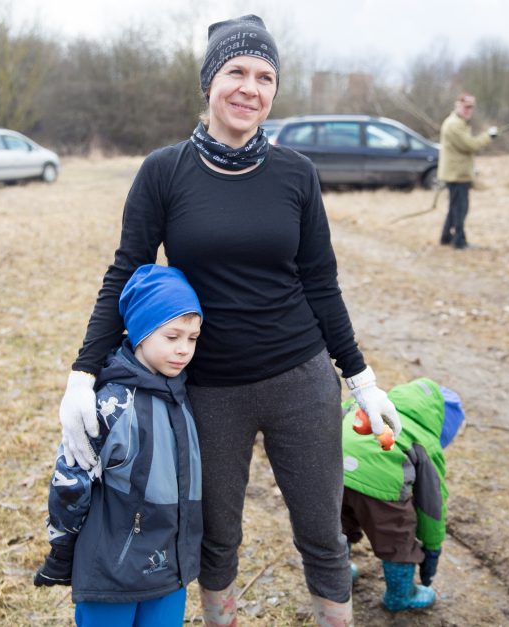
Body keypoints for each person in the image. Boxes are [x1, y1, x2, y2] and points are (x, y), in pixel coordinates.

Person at [56, 14, 402, 627]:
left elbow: (321, 282)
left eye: (265, 76)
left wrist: (362, 379)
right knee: (216, 536)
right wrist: (84, 372)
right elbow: (126, 273)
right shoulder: (164, 172)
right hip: (211, 389)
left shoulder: (297, 174)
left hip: (301, 379)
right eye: (236, 71)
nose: (250, 88)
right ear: (209, 82)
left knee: (322, 532)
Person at [37, 264, 204, 627]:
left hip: (168, 568)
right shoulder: (110, 404)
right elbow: (69, 481)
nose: (183, 350)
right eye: (172, 336)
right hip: (111, 571)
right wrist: (62, 548)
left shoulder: (183, 394)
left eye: (192, 338)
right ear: (141, 332)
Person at [341, 378, 465, 612]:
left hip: (334, 471)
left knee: (337, 527)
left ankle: (335, 575)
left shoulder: (365, 405)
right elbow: (432, 503)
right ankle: (400, 596)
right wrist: (432, 546)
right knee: (396, 536)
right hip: (383, 488)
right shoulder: (424, 440)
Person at [438, 93, 498, 249]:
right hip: (457, 175)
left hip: (457, 173)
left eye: (471, 107)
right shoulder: (454, 125)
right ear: (457, 105)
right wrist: (489, 136)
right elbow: (471, 145)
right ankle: (459, 241)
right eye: (466, 107)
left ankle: (445, 237)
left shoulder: (458, 123)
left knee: (454, 207)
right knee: (460, 209)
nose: (468, 110)